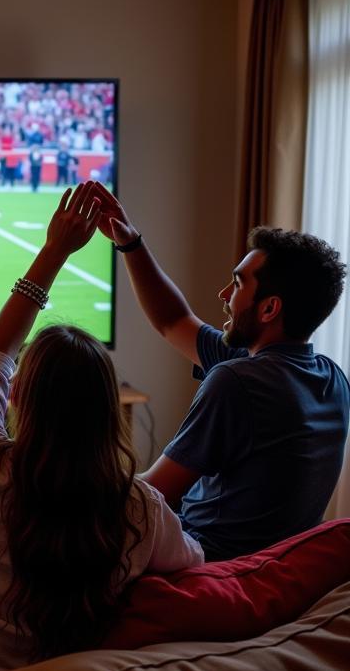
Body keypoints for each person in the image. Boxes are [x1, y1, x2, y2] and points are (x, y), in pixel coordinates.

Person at [0, 183, 204, 671]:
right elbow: (192, 570)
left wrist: (53, 252)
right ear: (106, 407)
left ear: (18, 395)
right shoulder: (138, 504)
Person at [92, 181, 349, 559]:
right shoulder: (331, 377)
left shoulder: (238, 382)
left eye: (237, 284)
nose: (223, 296)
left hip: (207, 568)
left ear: (268, 309)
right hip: (274, 568)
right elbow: (173, 320)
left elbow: (147, 497)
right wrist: (130, 242)